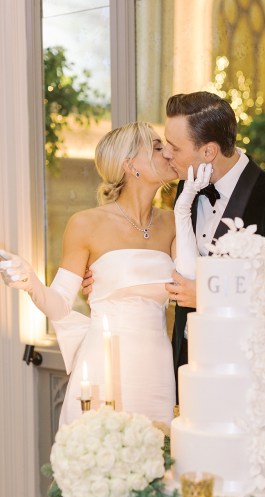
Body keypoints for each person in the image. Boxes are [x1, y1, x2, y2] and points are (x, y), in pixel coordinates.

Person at [0, 122, 182, 426]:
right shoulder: (86, 224)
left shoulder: (175, 222)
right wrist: (30, 282)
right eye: (156, 145)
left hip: (157, 370)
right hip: (104, 367)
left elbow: (192, 286)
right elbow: (60, 303)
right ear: (130, 165)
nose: (167, 152)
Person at [161, 91, 265, 378]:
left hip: (245, 374)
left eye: (174, 147)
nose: (166, 154)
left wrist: (211, 296)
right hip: (189, 369)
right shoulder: (185, 193)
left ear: (208, 152)